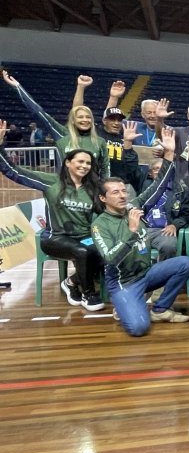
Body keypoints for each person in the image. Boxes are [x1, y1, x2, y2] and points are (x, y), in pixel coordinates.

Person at [92, 128, 189, 336]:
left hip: (146, 274)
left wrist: (168, 154)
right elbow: (110, 259)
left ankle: (159, 309)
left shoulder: (134, 207)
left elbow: (158, 186)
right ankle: (125, 303)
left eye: (123, 191)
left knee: (184, 263)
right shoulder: (99, 224)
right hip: (124, 282)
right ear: (103, 198)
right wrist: (131, 233)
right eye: (115, 193)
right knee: (139, 328)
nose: (122, 196)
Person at [0, 120, 104, 310]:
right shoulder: (51, 182)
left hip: (83, 237)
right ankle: (88, 295)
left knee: (104, 250)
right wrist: (0, 147)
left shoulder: (93, 188)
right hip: (55, 238)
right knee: (82, 252)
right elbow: (12, 171)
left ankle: (70, 282)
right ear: (68, 162)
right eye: (80, 161)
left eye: (88, 163)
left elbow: (105, 213)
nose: (84, 166)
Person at [3, 72, 111, 177]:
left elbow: (105, 169)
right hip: (65, 190)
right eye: (80, 117)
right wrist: (18, 87)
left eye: (88, 117)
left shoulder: (99, 141)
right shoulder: (62, 133)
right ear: (73, 120)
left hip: (91, 191)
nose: (85, 120)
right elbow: (39, 112)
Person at [140, 156, 189, 261]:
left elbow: (188, 215)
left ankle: (164, 274)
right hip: (140, 229)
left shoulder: (180, 191)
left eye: (164, 169)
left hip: (163, 231)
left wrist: (175, 225)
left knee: (168, 246)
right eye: (156, 169)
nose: (161, 171)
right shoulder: (141, 186)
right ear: (150, 173)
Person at [98, 107, 143, 194]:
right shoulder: (97, 134)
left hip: (120, 185)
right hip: (99, 183)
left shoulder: (125, 138)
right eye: (112, 119)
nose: (116, 123)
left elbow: (131, 167)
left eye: (119, 120)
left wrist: (128, 142)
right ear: (104, 121)